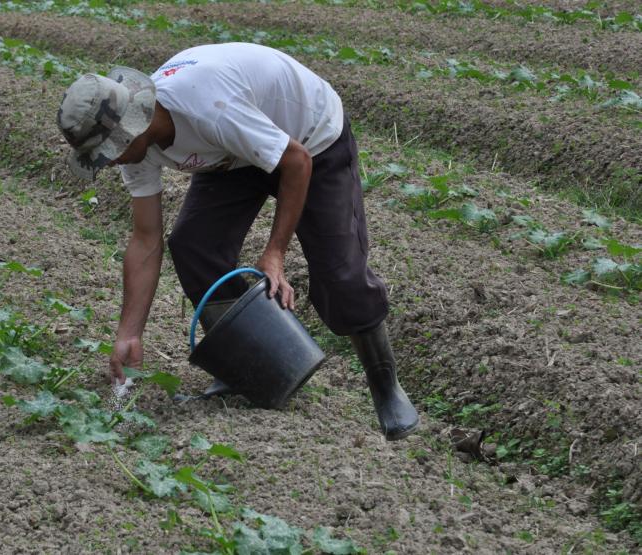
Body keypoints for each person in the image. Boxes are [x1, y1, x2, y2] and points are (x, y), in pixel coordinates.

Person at [56, 43, 419, 440]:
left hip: (310, 139)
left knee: (340, 275)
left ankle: (385, 385)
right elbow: (145, 239)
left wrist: (275, 252)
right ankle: (248, 364)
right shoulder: (137, 150)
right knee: (194, 245)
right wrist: (129, 332)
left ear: (133, 123)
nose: (111, 160)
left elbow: (296, 161)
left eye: (110, 151)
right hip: (234, 153)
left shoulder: (207, 108)